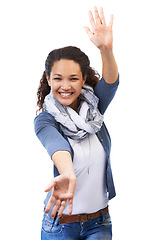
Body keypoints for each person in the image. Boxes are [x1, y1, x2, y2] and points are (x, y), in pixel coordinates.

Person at [34, 6, 119, 240]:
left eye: (73, 78)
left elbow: (110, 83)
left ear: (83, 80)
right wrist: (68, 173)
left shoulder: (95, 108)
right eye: (58, 78)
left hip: (99, 221)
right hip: (60, 225)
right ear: (48, 79)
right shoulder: (45, 120)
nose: (65, 86)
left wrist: (106, 49)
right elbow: (57, 146)